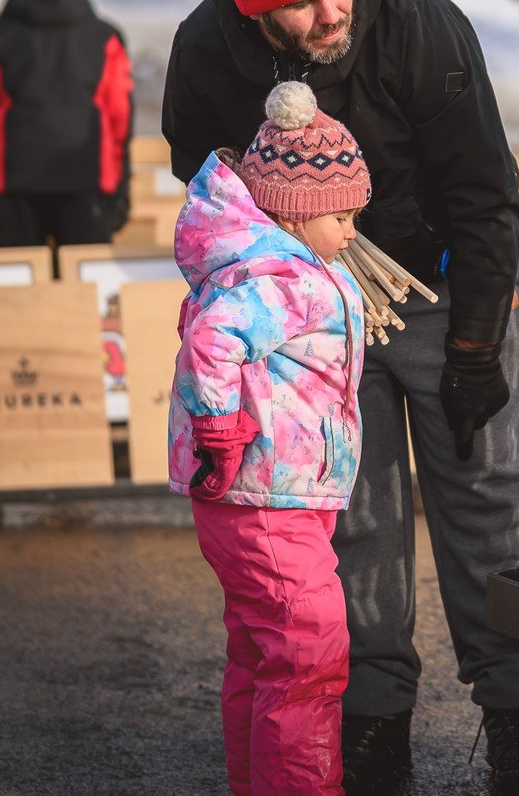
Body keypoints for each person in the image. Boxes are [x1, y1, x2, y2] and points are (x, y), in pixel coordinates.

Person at [162, 0, 519, 796]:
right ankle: (374, 718)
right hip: (307, 310)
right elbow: (200, 168)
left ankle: (517, 714)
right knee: (350, 510)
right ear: (256, 10)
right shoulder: (205, 51)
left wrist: (474, 346)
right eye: (303, 4)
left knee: (485, 491)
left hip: (444, 284)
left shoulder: (418, 24)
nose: (331, 10)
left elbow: (487, 203)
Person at [172, 80, 371, 796]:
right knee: (309, 652)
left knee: (263, 653)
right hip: (264, 492)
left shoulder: (289, 264)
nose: (351, 229)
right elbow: (211, 341)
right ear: (293, 210)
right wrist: (219, 432)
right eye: (341, 214)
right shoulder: (286, 276)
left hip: (279, 491)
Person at [0, 0, 134, 248]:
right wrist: (118, 189)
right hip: (88, 183)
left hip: (13, 186)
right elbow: (119, 120)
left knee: (14, 291)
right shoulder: (103, 37)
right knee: (86, 292)